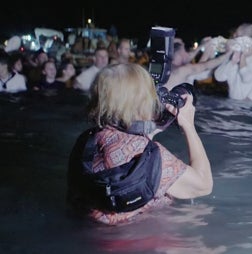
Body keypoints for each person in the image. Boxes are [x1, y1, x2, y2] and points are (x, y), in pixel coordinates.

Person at [66, 63, 213, 225]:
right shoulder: (152, 157)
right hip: (141, 240)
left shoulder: (87, 140)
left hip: (91, 233)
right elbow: (203, 185)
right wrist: (188, 126)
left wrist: (154, 126)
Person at [214, 23, 252, 101]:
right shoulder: (233, 57)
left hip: (249, 108)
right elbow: (219, 77)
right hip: (232, 105)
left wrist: (243, 57)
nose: (235, 39)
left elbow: (247, 78)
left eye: (237, 36)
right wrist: (232, 62)